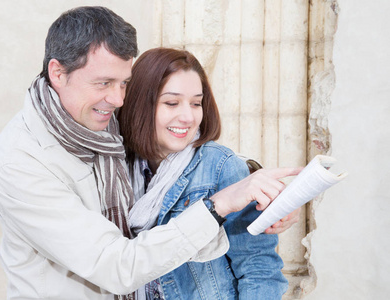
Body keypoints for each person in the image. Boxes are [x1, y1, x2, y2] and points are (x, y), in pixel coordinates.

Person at [0, 6, 300, 300]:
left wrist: (257, 186)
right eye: (103, 82)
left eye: (124, 83)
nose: (117, 98)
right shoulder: (21, 162)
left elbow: (195, 163)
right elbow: (115, 265)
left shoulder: (100, 125)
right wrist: (221, 202)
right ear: (58, 73)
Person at [117, 47, 292, 299]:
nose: (188, 116)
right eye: (171, 103)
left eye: (196, 103)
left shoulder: (221, 167)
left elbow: (259, 268)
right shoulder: (114, 168)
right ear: (139, 105)